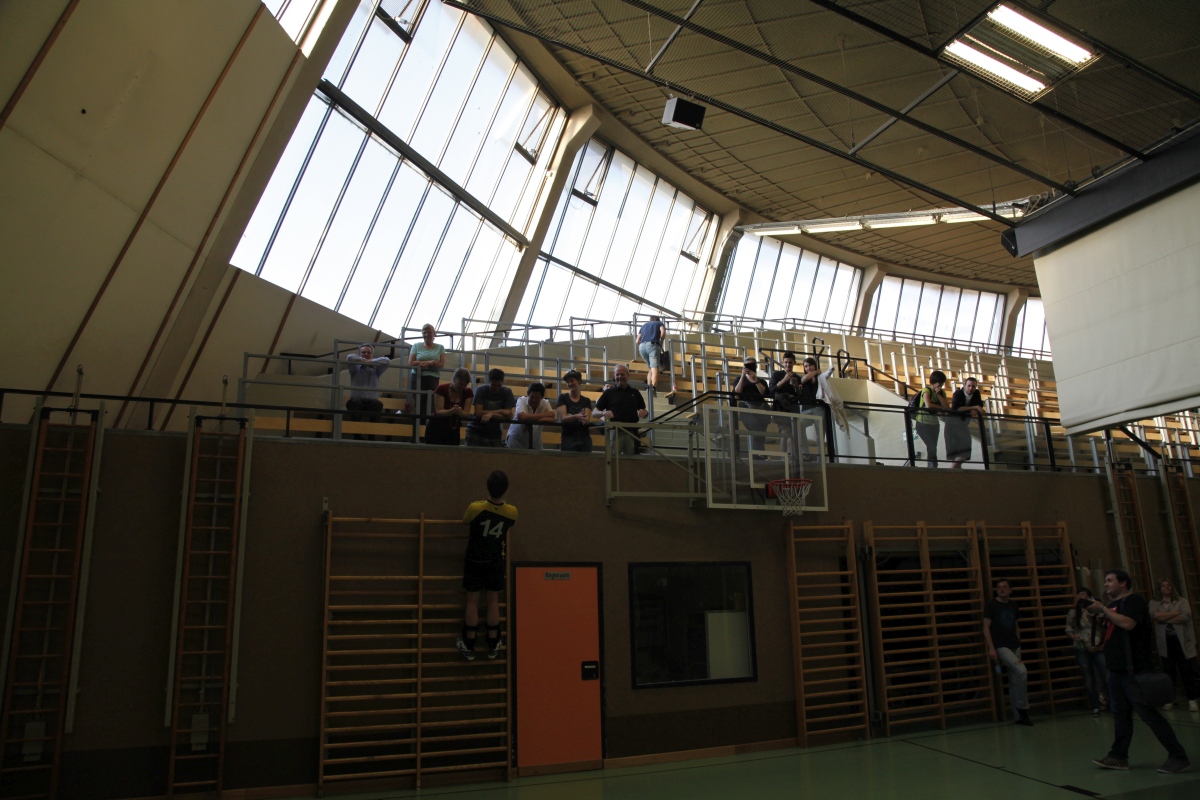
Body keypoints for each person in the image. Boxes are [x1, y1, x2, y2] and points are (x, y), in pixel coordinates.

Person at [1086, 568, 1190, 773]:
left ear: (1123, 583)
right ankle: (1118, 756)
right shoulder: (1113, 606)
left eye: (1110, 580)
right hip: (1116, 669)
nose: (1106, 584)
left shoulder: (1134, 601)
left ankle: (1178, 756)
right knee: (1120, 714)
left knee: (1148, 714)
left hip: (1133, 669)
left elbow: (1128, 624)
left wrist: (1104, 609)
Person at [456, 471, 517, 661]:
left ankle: (469, 643)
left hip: (474, 560)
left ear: (487, 486)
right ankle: (493, 643)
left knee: (472, 601)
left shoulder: (476, 507)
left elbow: (465, 521)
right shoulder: (512, 512)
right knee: (493, 601)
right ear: (506, 489)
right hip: (495, 561)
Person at [983, 579, 1033, 726]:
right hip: (1001, 645)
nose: (1001, 589)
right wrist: (991, 648)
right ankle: (1023, 708)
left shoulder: (1013, 605)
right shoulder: (991, 605)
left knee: (1015, 679)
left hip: (1014, 645)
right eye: (999, 587)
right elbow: (986, 627)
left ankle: (1018, 717)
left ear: (1010, 590)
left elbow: (1016, 624)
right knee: (1021, 671)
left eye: (1005, 587)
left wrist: (1018, 641)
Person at [1150, 578, 1200, 712]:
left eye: (1168, 585)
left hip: (1182, 642)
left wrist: (1164, 618)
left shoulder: (1182, 601)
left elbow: (1186, 616)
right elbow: (1155, 616)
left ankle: (1192, 699)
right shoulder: (1154, 603)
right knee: (1169, 673)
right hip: (1166, 643)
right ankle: (1170, 700)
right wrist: (1176, 613)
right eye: (1163, 585)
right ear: (1159, 588)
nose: (1166, 587)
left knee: (1187, 672)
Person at [1066, 587, 1109, 715]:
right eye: (1078, 594)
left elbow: (1104, 623)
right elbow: (1068, 627)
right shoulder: (1073, 612)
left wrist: (1095, 611)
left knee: (1106, 675)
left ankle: (1113, 702)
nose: (1080, 596)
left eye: (1083, 594)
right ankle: (1095, 705)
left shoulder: (1097, 609)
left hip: (1098, 646)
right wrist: (1073, 636)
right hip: (1082, 647)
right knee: (1088, 677)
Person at [594, 365, 647, 456]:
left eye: (622, 374)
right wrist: (603, 412)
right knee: (613, 460)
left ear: (628, 375)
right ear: (614, 376)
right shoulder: (609, 393)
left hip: (631, 432)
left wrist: (644, 413)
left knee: (632, 461)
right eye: (617, 374)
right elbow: (594, 412)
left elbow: (644, 412)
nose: (619, 377)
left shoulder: (635, 393)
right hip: (614, 431)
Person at [344, 343, 390, 440]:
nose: (366, 354)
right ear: (359, 354)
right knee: (355, 403)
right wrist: (363, 360)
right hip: (356, 401)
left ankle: (371, 435)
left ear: (372, 354)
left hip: (371, 402)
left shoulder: (376, 369)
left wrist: (371, 362)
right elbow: (349, 357)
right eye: (363, 352)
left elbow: (387, 360)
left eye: (369, 352)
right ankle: (357, 436)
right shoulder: (355, 368)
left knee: (378, 404)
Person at [424, 367, 474, 446]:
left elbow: (466, 413)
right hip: (436, 428)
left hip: (454, 429)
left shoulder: (468, 392)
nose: (462, 387)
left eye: (465, 385)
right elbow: (439, 411)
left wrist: (459, 412)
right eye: (460, 384)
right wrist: (452, 411)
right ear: (453, 379)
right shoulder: (441, 388)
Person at [466, 369, 515, 448]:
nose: (496, 388)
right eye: (493, 385)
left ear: (502, 382)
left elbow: (508, 415)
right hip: (475, 430)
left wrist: (491, 414)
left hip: (494, 432)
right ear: (489, 382)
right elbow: (478, 413)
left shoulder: (507, 392)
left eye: (499, 385)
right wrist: (501, 411)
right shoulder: (480, 390)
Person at [733, 355, 770, 455]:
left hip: (761, 408)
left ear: (755, 366)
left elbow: (764, 393)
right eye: (747, 365)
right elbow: (737, 394)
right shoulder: (739, 379)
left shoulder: (761, 381)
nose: (749, 368)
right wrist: (742, 376)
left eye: (751, 365)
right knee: (755, 427)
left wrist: (755, 380)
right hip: (747, 408)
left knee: (761, 431)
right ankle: (756, 454)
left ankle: (759, 454)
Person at [408, 323, 445, 421]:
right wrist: (429, 362)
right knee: (419, 403)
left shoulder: (440, 347)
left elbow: (441, 365)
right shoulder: (416, 346)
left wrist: (430, 363)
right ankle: (418, 426)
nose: (426, 334)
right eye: (424, 332)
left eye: (429, 332)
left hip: (433, 378)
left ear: (434, 334)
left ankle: (428, 425)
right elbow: (411, 363)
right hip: (417, 377)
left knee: (431, 403)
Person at [946, 376, 984, 468]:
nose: (971, 388)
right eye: (969, 386)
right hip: (953, 422)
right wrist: (974, 407)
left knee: (964, 448)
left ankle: (955, 468)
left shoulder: (976, 393)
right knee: (962, 446)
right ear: (964, 386)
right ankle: (954, 468)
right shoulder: (958, 393)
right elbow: (957, 408)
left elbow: (979, 405)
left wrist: (974, 410)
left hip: (963, 422)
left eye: (973, 386)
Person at [914, 370, 948, 468]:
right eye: (939, 382)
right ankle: (933, 466)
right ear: (934, 382)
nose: (940, 385)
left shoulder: (942, 392)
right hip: (923, 423)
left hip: (934, 424)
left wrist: (939, 395)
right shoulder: (927, 390)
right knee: (931, 445)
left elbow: (946, 406)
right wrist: (940, 407)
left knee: (932, 446)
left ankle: (931, 466)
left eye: (942, 383)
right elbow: (928, 405)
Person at [506, 382, 555, 449]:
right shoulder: (521, 400)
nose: (534, 400)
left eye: (537, 398)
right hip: (516, 441)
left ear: (542, 397)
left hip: (535, 442)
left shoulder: (545, 403)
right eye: (532, 397)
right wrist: (545, 415)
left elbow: (552, 418)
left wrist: (530, 422)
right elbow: (522, 417)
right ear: (528, 394)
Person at [796, 356, 826, 460]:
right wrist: (816, 371)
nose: (808, 368)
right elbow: (804, 379)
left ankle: (821, 458)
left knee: (820, 435)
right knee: (798, 425)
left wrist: (817, 373)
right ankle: (806, 453)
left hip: (818, 407)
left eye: (810, 365)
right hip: (806, 409)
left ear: (814, 365)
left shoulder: (821, 378)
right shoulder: (803, 379)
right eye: (806, 366)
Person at [556, 370, 594, 452]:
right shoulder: (562, 397)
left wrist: (571, 416)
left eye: (572, 380)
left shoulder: (586, 400)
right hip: (568, 439)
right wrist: (577, 416)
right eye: (567, 382)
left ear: (579, 381)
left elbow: (586, 420)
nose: (569, 384)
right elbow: (563, 418)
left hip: (584, 438)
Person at [635, 316, 667, 392]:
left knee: (651, 368)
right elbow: (663, 333)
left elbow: (637, 341)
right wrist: (661, 342)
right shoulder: (659, 323)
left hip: (642, 347)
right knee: (655, 368)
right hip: (653, 345)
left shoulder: (643, 326)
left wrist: (644, 345)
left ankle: (648, 388)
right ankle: (653, 388)